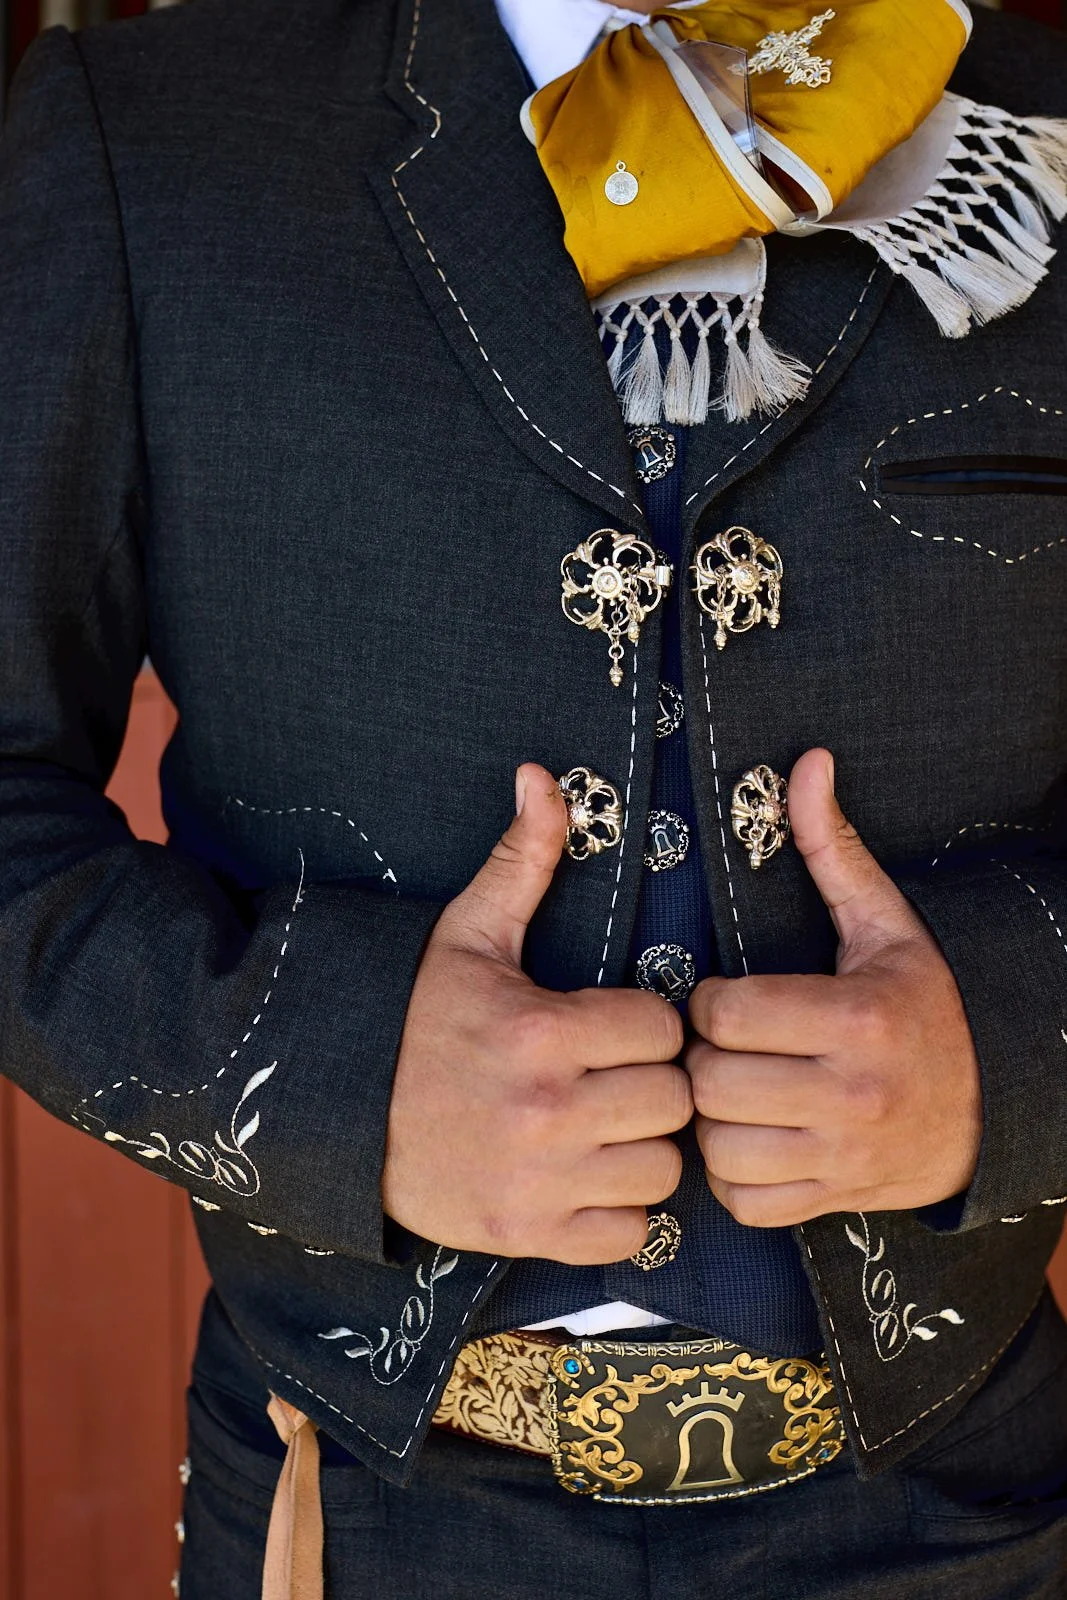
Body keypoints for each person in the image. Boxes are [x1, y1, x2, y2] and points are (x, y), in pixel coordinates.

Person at [1, 0, 1066, 1594]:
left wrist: (1007, 1051)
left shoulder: (1030, 120)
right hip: (353, 1507)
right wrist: (333, 1081)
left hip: (962, 1512)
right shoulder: (151, 131)